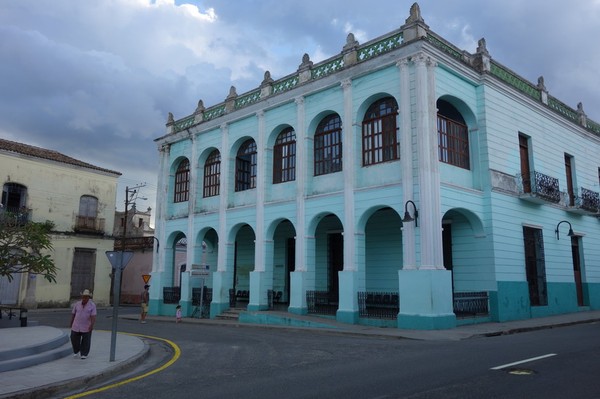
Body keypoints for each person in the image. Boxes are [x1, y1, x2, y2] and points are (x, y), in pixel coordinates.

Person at [70, 289, 96, 360]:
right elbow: (73, 314)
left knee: (86, 340)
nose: (84, 298)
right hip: (76, 325)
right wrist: (71, 322)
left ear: (88, 297)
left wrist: (91, 325)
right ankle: (76, 350)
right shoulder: (77, 304)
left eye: (86, 297)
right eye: (83, 297)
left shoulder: (92, 305)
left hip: (86, 326)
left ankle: (84, 353)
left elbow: (93, 316)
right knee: (73, 338)